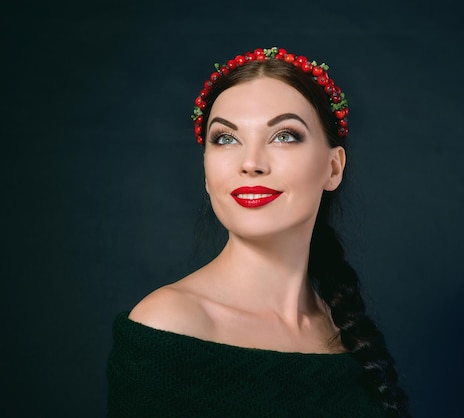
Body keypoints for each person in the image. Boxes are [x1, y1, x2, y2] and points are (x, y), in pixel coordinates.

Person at [107, 46, 410, 417]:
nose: (250, 163)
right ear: (206, 172)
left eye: (284, 135)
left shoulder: (344, 330)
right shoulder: (169, 327)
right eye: (225, 139)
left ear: (333, 168)